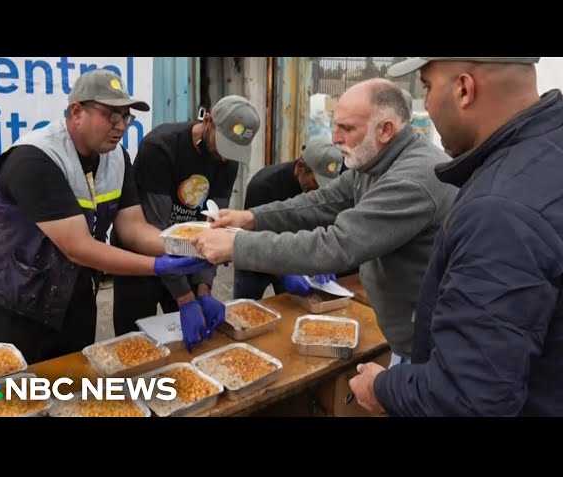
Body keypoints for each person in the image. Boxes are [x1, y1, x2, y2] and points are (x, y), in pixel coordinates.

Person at [348, 57, 563, 417]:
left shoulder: (500, 211)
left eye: (427, 86)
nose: (425, 104)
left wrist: (381, 388)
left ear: (463, 89)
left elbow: (465, 398)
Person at [192, 78, 458, 363]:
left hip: (430, 344)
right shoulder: (375, 160)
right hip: (406, 335)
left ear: (386, 130)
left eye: (347, 128)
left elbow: (337, 244)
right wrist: (251, 218)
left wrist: (237, 246)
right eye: (335, 125)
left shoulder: (413, 179)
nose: (335, 138)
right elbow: (323, 201)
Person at [0, 69, 211, 364]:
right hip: (13, 300)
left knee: (73, 387)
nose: (120, 126)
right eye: (111, 115)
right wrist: (158, 266)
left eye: (125, 117)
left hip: (73, 297)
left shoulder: (117, 158)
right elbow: (78, 247)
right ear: (76, 111)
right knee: (6, 395)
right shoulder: (35, 160)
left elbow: (133, 227)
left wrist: (184, 244)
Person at [110, 95, 261, 350]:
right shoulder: (161, 147)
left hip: (189, 255)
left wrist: (203, 288)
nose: (225, 158)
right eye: (224, 145)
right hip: (144, 257)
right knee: (133, 346)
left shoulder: (228, 161)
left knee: (187, 345)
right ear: (208, 120)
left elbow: (213, 224)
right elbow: (157, 231)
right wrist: (185, 299)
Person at [234, 137, 344, 300]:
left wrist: (325, 260)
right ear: (301, 167)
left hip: (292, 260)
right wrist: (283, 272)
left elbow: (326, 227)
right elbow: (249, 236)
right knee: (245, 311)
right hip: (254, 262)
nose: (321, 190)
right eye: (316, 182)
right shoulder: (264, 185)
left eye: (327, 185)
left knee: (289, 308)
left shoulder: (330, 193)